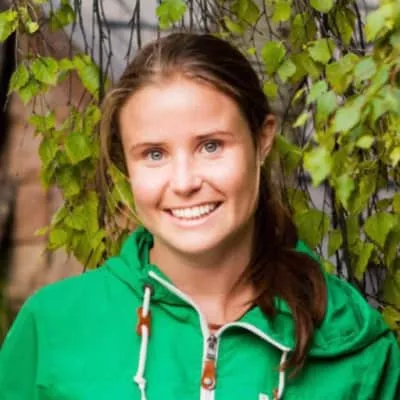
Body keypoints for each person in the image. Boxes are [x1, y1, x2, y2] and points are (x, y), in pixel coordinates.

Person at [0, 33, 399, 400]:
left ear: (262, 140)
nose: (184, 182)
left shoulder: (355, 346)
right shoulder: (53, 326)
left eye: (211, 146)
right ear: (126, 167)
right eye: (154, 154)